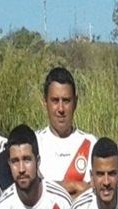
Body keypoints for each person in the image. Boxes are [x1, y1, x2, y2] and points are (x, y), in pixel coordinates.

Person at [35, 67, 97, 198]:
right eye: (55, 101)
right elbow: (34, 192)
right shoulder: (35, 142)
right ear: (45, 103)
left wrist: (49, 187)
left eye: (66, 101)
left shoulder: (90, 143)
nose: (61, 109)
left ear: (76, 103)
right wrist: (75, 186)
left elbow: (95, 192)